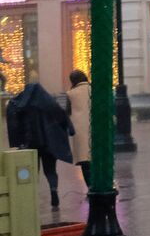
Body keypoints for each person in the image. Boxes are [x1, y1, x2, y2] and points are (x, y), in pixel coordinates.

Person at [5, 71, 76, 211]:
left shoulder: (22, 104)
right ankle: (53, 190)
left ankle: (31, 196)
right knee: (50, 170)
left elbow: (14, 117)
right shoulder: (48, 102)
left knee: (32, 170)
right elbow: (61, 115)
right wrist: (69, 128)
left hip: (30, 143)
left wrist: (17, 140)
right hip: (49, 142)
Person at [67, 70, 92, 187]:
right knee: (95, 157)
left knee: (84, 161)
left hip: (79, 129)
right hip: (94, 126)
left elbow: (67, 112)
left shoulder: (70, 94)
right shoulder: (93, 89)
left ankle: (90, 186)